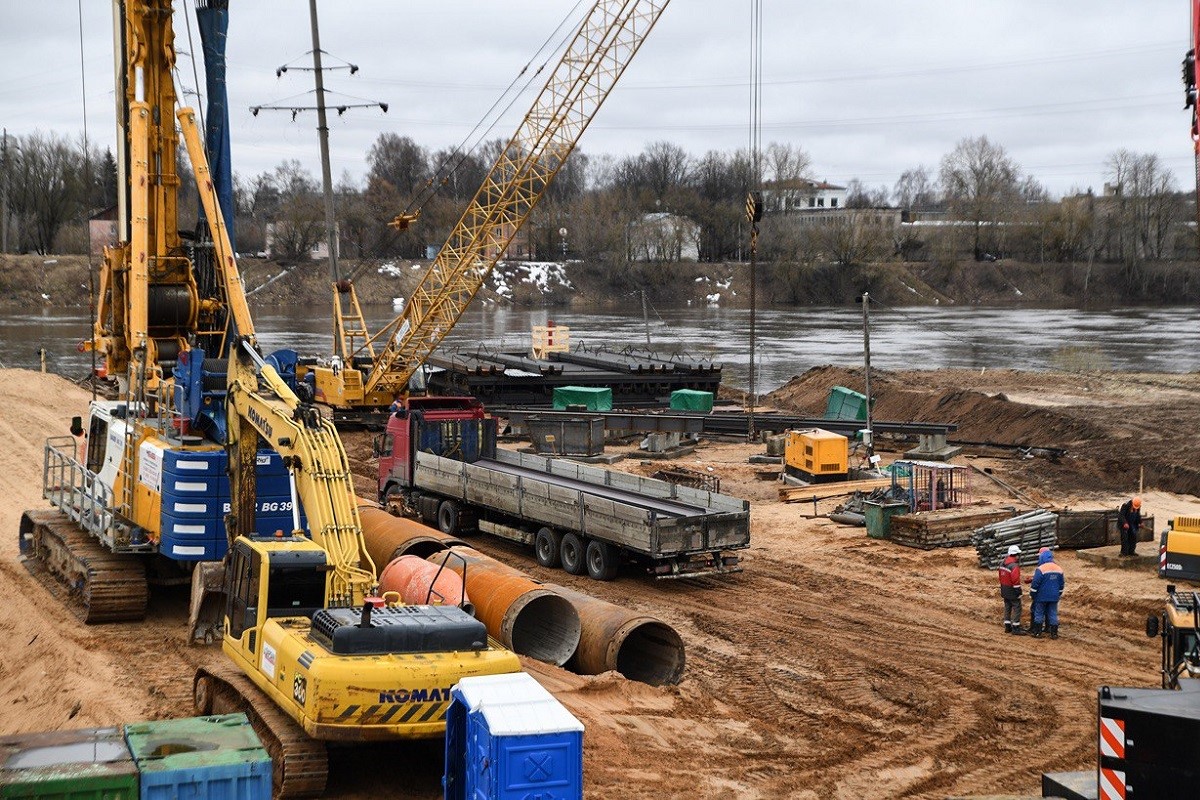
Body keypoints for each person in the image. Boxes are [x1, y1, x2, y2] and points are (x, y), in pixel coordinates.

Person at [1029, 546, 1065, 639]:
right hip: (1054, 596)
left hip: (1041, 596)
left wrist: (1032, 594)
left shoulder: (1041, 569)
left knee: (1039, 613)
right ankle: (1054, 633)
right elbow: (1061, 584)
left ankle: (1037, 632)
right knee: (1053, 613)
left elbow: (1035, 583)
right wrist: (1058, 594)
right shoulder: (1059, 569)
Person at [997, 544, 1026, 635]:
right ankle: (1016, 628)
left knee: (1007, 607)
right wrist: (1019, 592)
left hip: (1004, 589)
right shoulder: (1014, 566)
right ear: (1016, 554)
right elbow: (1015, 581)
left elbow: (1000, 576)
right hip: (1012, 590)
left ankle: (1007, 626)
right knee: (1017, 607)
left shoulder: (1002, 563)